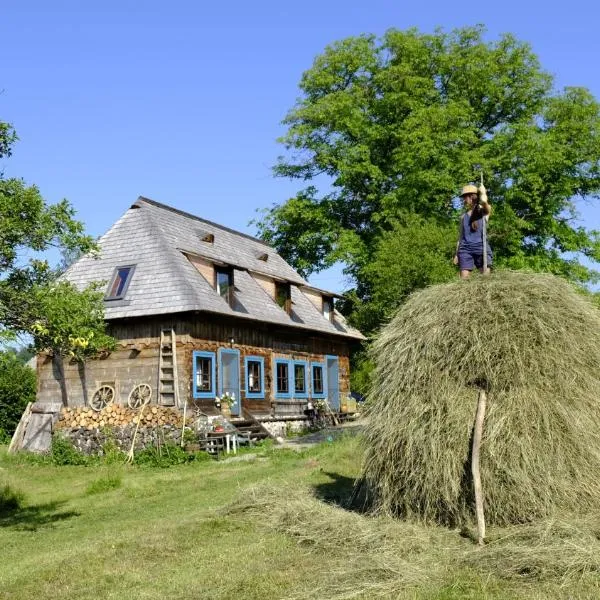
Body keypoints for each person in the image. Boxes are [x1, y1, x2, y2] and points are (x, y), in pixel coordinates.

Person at [453, 184, 492, 279]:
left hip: (481, 248)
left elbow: (486, 205)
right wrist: (456, 254)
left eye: (464, 197)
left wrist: (483, 193)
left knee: (485, 278)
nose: (463, 200)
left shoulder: (483, 212)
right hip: (465, 249)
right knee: (464, 279)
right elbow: (461, 237)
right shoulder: (463, 217)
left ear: (471, 197)